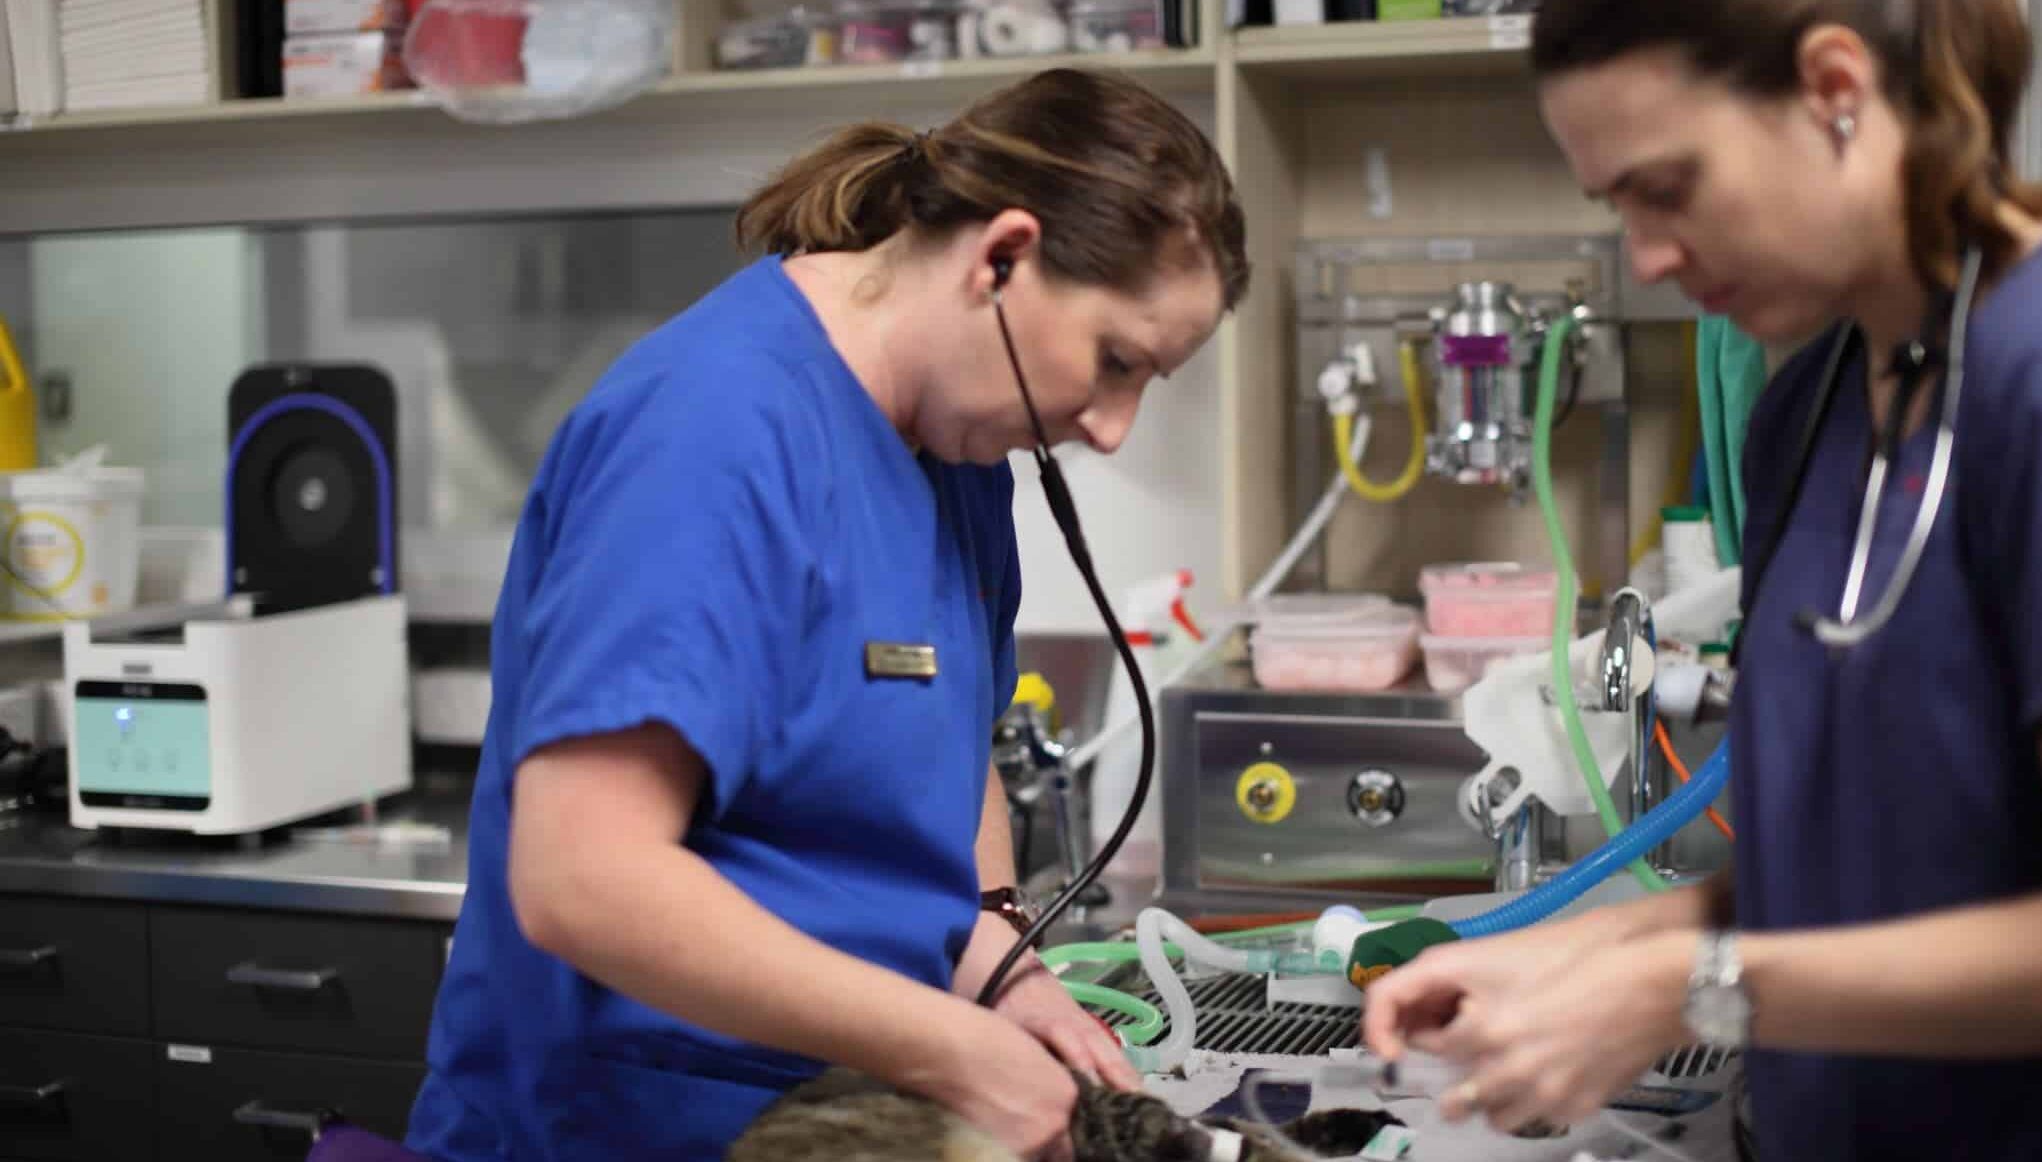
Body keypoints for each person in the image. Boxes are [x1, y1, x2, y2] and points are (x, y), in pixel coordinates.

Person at [403, 67, 1249, 1162]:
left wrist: (998, 964)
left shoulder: (954, 448)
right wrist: (952, 1049)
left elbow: (956, 751)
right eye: (1114, 361)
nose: (1113, 426)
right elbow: (584, 880)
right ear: (1002, 256)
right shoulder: (714, 431)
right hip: (621, 1128)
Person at [1361, 2, 2042, 1158]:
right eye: (1615, 207)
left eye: (1666, 189)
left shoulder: (2023, 387)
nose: (1649, 260)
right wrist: (1597, 952)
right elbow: (1869, 872)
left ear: (1835, 87)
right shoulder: (1806, 415)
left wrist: (1685, 987)